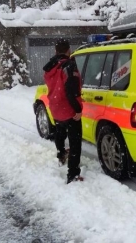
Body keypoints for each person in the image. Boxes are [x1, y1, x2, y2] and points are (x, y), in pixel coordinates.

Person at [43, 39, 83, 184]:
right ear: (69, 50)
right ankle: (73, 174)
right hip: (69, 109)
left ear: (55, 51)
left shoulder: (50, 68)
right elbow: (70, 90)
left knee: (59, 132)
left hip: (55, 107)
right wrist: (78, 109)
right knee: (75, 141)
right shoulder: (69, 65)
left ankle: (61, 155)